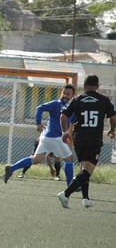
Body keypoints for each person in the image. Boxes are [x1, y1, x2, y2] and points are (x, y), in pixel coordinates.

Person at [57, 75, 116, 208]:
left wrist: (65, 132)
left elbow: (63, 116)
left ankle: (85, 198)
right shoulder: (103, 100)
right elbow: (113, 117)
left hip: (79, 138)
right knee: (88, 170)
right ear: (98, 86)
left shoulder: (76, 99)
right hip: (94, 139)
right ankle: (65, 194)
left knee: (84, 168)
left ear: (84, 86)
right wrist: (112, 129)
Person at [4, 84, 75, 186]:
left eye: (68, 94)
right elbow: (39, 108)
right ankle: (70, 187)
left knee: (36, 159)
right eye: (64, 93)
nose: (65, 95)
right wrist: (38, 123)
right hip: (54, 137)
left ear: (72, 96)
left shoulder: (71, 108)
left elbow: (71, 123)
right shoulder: (56, 104)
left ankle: (11, 168)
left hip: (46, 138)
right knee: (69, 159)